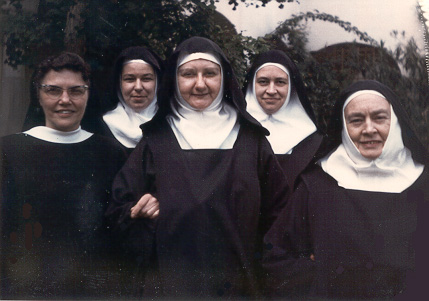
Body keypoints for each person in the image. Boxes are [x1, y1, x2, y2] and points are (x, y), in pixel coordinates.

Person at [106, 36, 289, 298]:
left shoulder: (251, 141)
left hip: (239, 287)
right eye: (189, 74)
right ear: (175, 80)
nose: (200, 84)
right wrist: (138, 211)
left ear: (224, 78)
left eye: (210, 74)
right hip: (171, 288)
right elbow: (118, 211)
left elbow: (281, 216)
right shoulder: (156, 141)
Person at [262, 80, 428, 299]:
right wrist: (320, 278)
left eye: (379, 118)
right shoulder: (317, 185)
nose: (369, 129)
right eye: (356, 120)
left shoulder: (422, 184)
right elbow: (275, 255)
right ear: (344, 127)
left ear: (395, 122)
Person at [0, 52, 127, 299]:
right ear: (38, 95)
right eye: (53, 90)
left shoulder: (110, 153)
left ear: (88, 94)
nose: (65, 100)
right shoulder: (7, 152)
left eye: (76, 91)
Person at [243, 50, 323, 189]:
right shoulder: (236, 132)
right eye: (263, 82)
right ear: (252, 85)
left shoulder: (312, 141)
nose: (271, 90)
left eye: (280, 82)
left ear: (291, 87)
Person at [94, 46, 164, 154]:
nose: (138, 87)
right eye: (129, 79)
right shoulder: (101, 128)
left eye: (146, 79)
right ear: (119, 83)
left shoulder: (169, 124)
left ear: (157, 83)